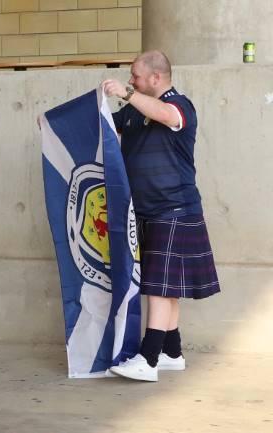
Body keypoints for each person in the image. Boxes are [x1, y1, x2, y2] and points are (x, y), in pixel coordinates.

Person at [102, 50, 220, 382]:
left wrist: (127, 94)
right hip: (147, 211)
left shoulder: (179, 105)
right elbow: (102, 126)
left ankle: (149, 358)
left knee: (159, 287)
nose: (131, 81)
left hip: (175, 208)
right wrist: (58, 123)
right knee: (166, 286)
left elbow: (167, 116)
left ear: (156, 77)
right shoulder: (134, 111)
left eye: (135, 76)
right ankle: (172, 352)